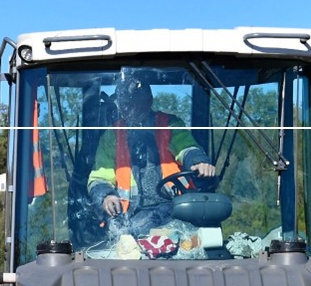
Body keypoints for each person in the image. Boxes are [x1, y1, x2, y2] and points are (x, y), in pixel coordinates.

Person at [86, 71, 218, 237]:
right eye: (127, 102)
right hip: (132, 217)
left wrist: (198, 162)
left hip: (176, 210)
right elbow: (99, 178)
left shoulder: (170, 124)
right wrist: (106, 196)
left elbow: (186, 148)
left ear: (149, 100)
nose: (132, 107)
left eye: (138, 99)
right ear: (121, 103)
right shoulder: (112, 134)